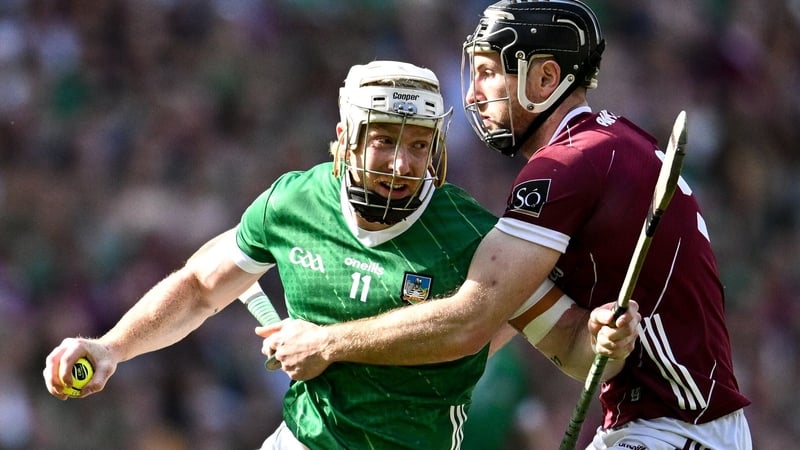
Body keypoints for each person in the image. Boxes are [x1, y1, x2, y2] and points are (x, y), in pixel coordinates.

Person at [41, 59, 636, 449]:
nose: (403, 166)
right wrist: (110, 345)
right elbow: (200, 286)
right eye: (384, 141)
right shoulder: (295, 202)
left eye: (419, 145)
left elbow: (571, 346)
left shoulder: (478, 237)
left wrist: (602, 342)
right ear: (345, 141)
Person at [258, 2, 753, 449]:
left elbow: (473, 318)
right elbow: (512, 321)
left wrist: (327, 343)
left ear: (544, 78)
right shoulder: (612, 142)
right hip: (667, 423)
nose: (472, 94)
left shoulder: (568, 165)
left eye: (489, 73)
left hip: (676, 426)